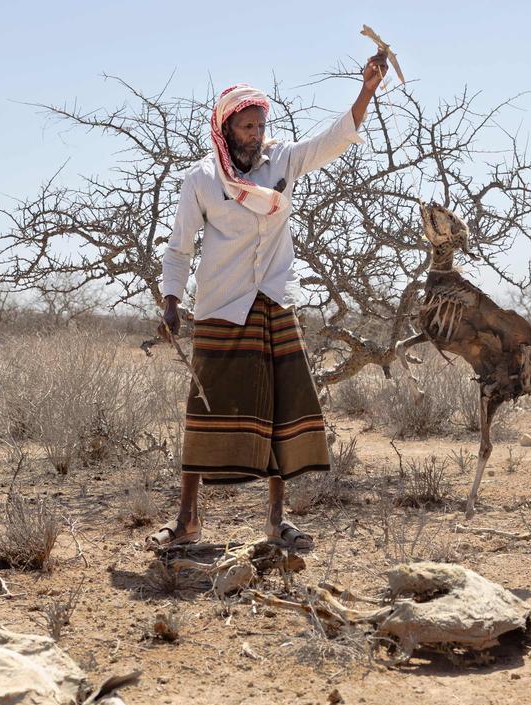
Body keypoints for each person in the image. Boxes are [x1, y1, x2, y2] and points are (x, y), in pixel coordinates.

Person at [149, 51, 390, 550]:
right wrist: (172, 301)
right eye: (246, 127)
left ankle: (275, 522)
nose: (255, 134)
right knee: (205, 410)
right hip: (222, 304)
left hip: (274, 301)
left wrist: (366, 91)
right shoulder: (201, 180)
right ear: (226, 128)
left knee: (282, 410)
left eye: (260, 124)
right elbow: (178, 248)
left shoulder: (282, 162)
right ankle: (188, 521)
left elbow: (334, 140)